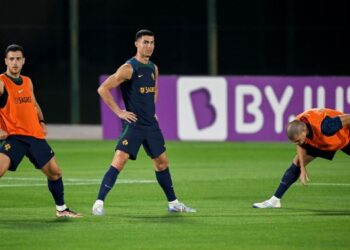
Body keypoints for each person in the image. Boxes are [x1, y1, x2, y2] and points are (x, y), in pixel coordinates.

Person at [92, 29, 196, 215]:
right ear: (137, 44)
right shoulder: (128, 68)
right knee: (119, 161)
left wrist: (152, 111)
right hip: (134, 125)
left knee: (162, 162)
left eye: (152, 43)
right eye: (145, 42)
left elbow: (154, 90)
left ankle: (173, 203)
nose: (149, 46)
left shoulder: (153, 68)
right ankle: (99, 203)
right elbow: (103, 89)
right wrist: (119, 112)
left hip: (151, 125)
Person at [0, 44, 81, 217]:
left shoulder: (28, 81)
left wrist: (41, 120)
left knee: (55, 172)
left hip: (35, 135)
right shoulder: (2, 82)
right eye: (11, 59)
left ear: (23, 61)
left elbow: (34, 104)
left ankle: (62, 209)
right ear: (6, 61)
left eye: (18, 59)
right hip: (15, 136)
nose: (15, 62)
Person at [253, 108, 350, 208]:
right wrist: (302, 168)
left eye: (298, 140)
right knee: (297, 162)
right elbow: (300, 145)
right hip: (321, 142)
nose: (297, 143)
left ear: (304, 131)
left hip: (345, 139)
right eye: (295, 141)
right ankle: (275, 201)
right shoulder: (298, 126)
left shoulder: (327, 126)